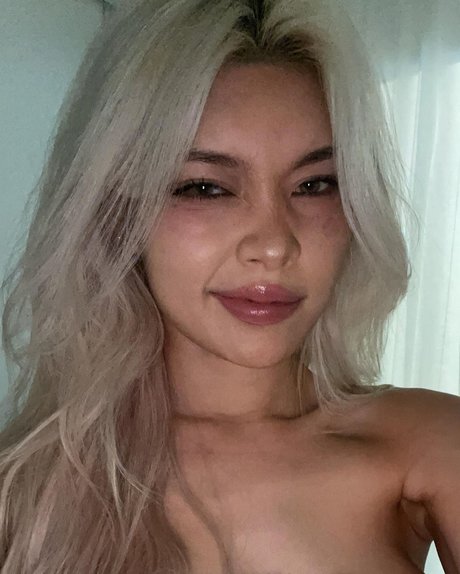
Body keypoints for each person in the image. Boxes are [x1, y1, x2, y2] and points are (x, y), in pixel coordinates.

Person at [0, 0, 459, 572]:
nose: (274, 244)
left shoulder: (431, 445)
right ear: (118, 212)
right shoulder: (28, 492)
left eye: (315, 184)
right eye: (206, 188)